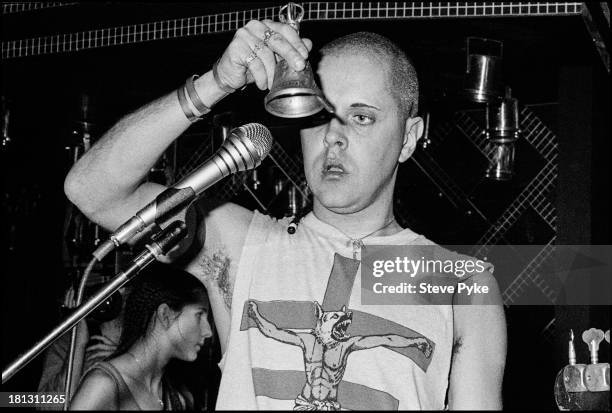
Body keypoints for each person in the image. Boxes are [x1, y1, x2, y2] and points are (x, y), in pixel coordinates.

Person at [64, 19, 506, 410]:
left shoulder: (462, 285)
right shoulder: (239, 243)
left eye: (362, 117)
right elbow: (92, 190)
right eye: (321, 114)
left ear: (409, 139)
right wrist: (213, 84)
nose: (333, 136)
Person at [69, 263, 212, 410]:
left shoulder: (177, 395)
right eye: (199, 315)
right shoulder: (103, 385)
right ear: (165, 315)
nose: (208, 331)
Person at [37, 282, 123, 410]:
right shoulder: (67, 343)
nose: (108, 300)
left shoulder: (141, 339)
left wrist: (124, 359)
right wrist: (77, 344)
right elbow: (48, 405)